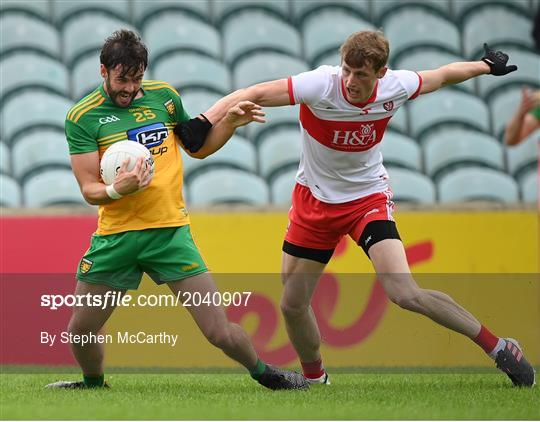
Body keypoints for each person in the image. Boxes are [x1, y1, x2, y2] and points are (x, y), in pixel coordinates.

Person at [198, 31, 536, 387]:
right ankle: (316, 379)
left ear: (381, 73)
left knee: (404, 292)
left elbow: (443, 75)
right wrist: (206, 120)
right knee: (292, 304)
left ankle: (499, 347)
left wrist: (484, 66)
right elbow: (252, 93)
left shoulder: (396, 87)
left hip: (367, 200)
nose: (350, 81)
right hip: (314, 202)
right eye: (347, 70)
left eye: (361, 74)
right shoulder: (319, 85)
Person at [46, 29, 308, 391]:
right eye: (122, 79)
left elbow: (197, 148)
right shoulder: (82, 117)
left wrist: (229, 123)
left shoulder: (164, 98)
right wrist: (115, 189)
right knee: (80, 330)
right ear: (103, 70)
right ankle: (93, 384)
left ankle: (266, 373)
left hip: (169, 234)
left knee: (218, 330)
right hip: (116, 238)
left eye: (136, 79)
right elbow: (89, 189)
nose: (129, 88)